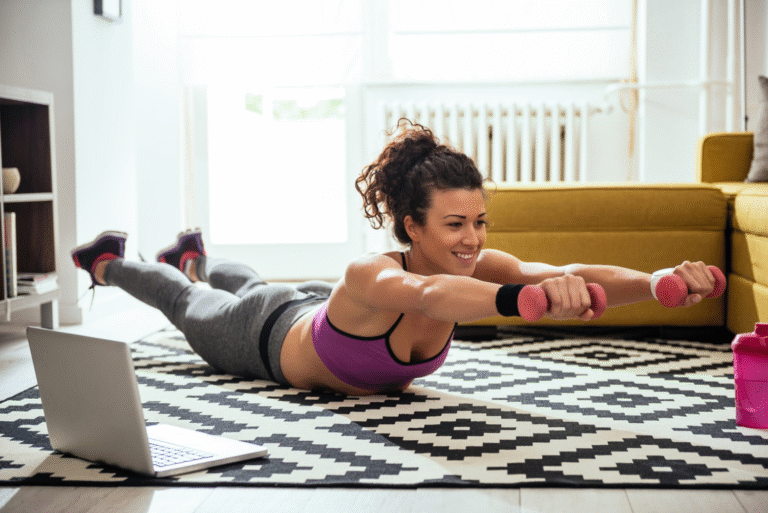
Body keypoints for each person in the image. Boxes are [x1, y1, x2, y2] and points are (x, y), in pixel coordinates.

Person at [71, 121, 719, 396]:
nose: (472, 239)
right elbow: (431, 297)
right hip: (260, 334)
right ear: (412, 226)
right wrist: (525, 302)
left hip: (307, 305)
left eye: (480, 222)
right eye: (455, 225)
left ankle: (195, 254)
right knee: (191, 302)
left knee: (254, 281)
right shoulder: (373, 272)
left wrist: (658, 282)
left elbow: (562, 274)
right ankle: (108, 260)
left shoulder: (478, 267)